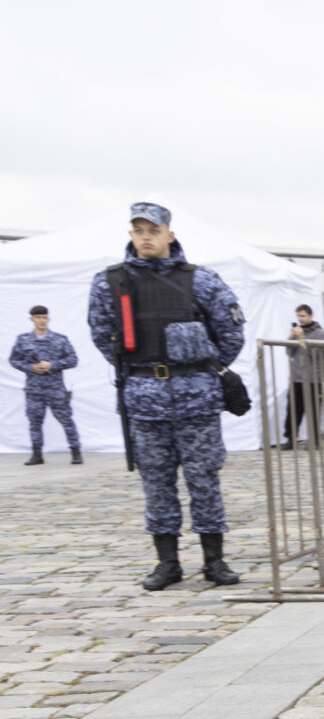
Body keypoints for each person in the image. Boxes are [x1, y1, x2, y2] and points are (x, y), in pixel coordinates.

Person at [87, 201, 243, 589]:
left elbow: (231, 333)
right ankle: (167, 563)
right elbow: (102, 335)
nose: (146, 237)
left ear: (169, 234)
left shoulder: (202, 280)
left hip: (197, 400)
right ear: (131, 234)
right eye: (139, 230)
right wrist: (141, 373)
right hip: (144, 401)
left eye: (153, 231)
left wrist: (198, 369)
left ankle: (214, 560)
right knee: (156, 485)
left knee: (204, 480)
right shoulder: (110, 282)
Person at [10, 306, 81, 465]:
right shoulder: (23, 340)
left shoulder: (60, 339)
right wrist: (31, 368)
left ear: (48, 319)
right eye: (38, 317)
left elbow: (73, 360)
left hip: (56, 388)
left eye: (44, 317)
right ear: (32, 319)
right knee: (34, 422)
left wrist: (52, 365)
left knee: (66, 420)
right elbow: (14, 360)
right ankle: (37, 454)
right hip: (34, 389)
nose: (42, 320)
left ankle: (75, 451)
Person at [282, 304, 324, 448]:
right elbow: (289, 353)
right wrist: (292, 338)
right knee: (293, 410)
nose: (300, 319)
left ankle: (314, 440)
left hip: (313, 378)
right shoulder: (297, 331)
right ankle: (291, 438)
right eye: (298, 316)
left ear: (310, 315)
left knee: (313, 410)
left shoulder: (319, 333)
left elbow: (317, 355)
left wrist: (302, 339)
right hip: (296, 377)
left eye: (303, 316)